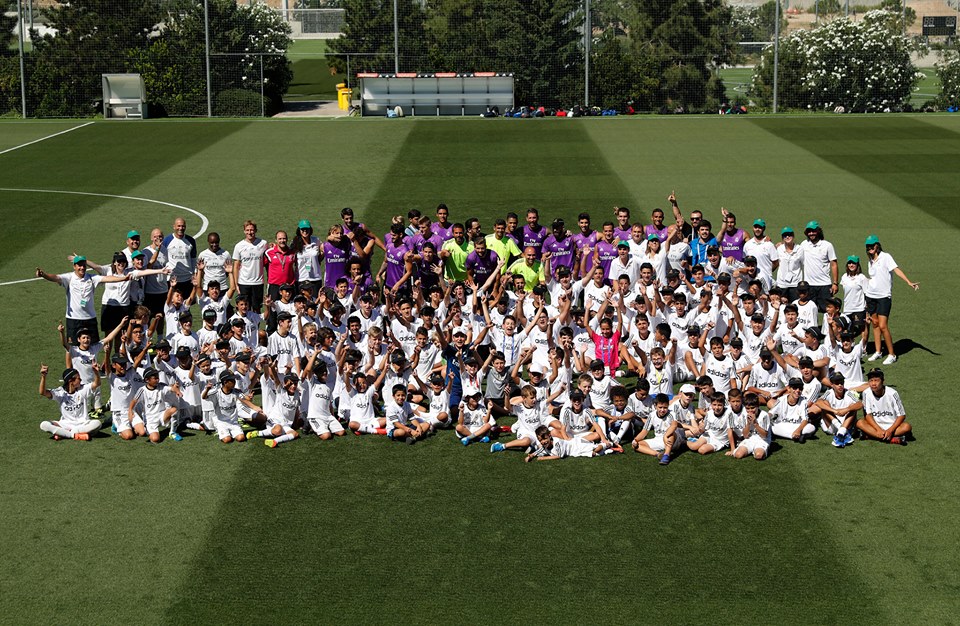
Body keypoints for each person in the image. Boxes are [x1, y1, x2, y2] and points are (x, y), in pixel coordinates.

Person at [36, 255, 130, 343]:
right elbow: (55, 277)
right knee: (72, 348)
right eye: (79, 265)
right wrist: (44, 275)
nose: (82, 267)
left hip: (90, 319)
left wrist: (123, 278)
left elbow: (107, 278)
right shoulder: (69, 278)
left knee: (93, 346)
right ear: (74, 266)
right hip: (73, 319)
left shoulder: (92, 278)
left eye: (84, 265)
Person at [863, 235, 919, 365]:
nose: (870, 248)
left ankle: (892, 354)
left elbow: (896, 270)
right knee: (875, 324)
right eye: (868, 246)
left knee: (883, 326)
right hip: (871, 296)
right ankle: (878, 351)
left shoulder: (886, 257)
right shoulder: (870, 260)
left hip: (884, 296)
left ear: (877, 245)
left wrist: (908, 282)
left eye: (872, 245)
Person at [38, 363, 103, 441]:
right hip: (65, 424)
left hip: (83, 424)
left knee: (97, 423)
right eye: (78, 378)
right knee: (44, 425)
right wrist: (43, 376)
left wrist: (96, 372)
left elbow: (97, 383)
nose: (81, 380)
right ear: (71, 381)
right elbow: (43, 392)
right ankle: (74, 435)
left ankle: (63, 433)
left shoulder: (83, 389)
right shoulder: (60, 392)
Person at [857, 368, 911, 445]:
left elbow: (901, 415)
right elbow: (868, 415)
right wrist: (878, 429)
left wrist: (890, 430)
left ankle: (872, 435)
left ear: (883, 381)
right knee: (860, 423)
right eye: (871, 381)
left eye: (876, 380)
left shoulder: (893, 393)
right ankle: (892, 439)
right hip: (875, 426)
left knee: (906, 427)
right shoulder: (866, 393)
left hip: (892, 426)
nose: (873, 384)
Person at [797, 221, 838, 312]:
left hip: (824, 285)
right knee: (809, 310)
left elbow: (834, 264)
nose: (811, 233)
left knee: (827, 310)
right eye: (809, 231)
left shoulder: (827, 245)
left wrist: (835, 283)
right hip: (809, 285)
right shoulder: (804, 244)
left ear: (818, 231)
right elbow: (793, 249)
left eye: (813, 231)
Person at [631, 393, 681, 465]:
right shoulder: (652, 415)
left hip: (673, 440)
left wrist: (665, 436)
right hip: (658, 439)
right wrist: (635, 440)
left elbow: (674, 425)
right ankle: (658, 454)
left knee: (671, 434)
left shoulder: (672, 414)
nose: (662, 410)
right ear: (655, 406)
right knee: (636, 445)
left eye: (665, 407)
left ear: (668, 406)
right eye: (660, 407)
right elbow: (644, 431)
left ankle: (666, 455)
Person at [524, 425, 622, 461]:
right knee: (593, 454)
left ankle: (609, 444)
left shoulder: (557, 443)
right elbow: (541, 449)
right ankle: (610, 450)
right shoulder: (545, 445)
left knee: (596, 449)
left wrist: (543, 458)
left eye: (544, 439)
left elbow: (559, 456)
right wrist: (531, 456)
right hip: (575, 452)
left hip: (577, 444)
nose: (543, 442)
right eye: (540, 440)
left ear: (550, 436)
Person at [232, 220, 268, 313]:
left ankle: (256, 323)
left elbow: (269, 258)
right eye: (247, 230)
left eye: (252, 230)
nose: (249, 232)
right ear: (244, 231)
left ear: (255, 230)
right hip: (244, 282)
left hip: (258, 282)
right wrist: (236, 284)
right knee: (244, 308)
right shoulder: (239, 246)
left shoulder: (263, 244)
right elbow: (236, 266)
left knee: (257, 309)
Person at [162, 217, 198, 300]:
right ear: (174, 226)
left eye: (183, 226)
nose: (181, 228)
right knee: (171, 303)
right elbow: (163, 259)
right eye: (178, 226)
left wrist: (194, 273)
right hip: (173, 279)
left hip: (187, 279)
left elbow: (193, 259)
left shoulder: (191, 240)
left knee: (187, 304)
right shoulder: (167, 240)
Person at [291, 220, 323, 297]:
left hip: (315, 278)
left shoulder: (316, 240)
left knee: (315, 301)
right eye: (302, 229)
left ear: (310, 229)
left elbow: (321, 254)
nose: (305, 231)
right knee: (301, 302)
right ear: (299, 230)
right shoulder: (294, 242)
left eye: (307, 229)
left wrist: (322, 254)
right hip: (301, 278)